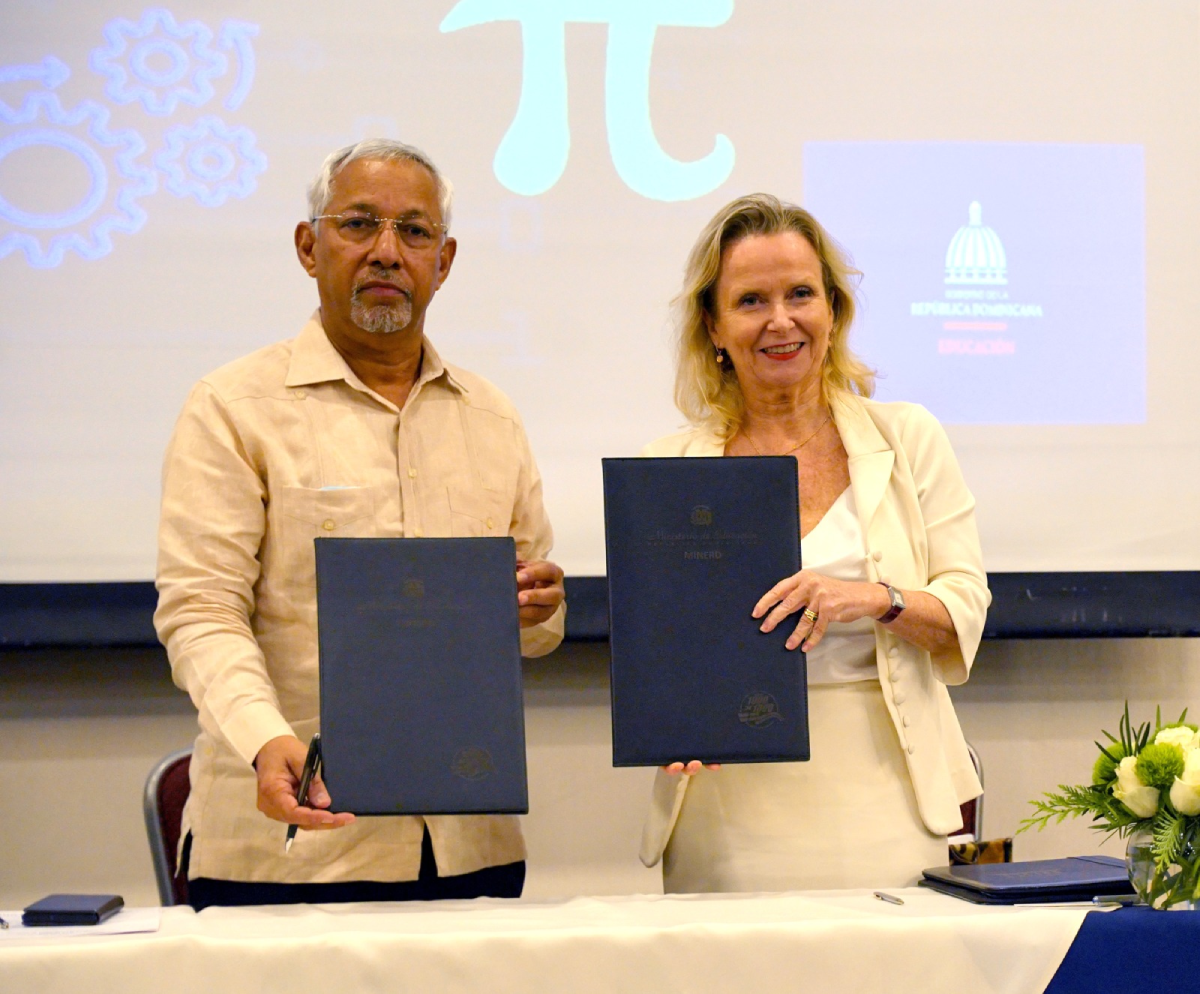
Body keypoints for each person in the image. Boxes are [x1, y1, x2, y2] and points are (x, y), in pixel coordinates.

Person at [154, 139, 566, 909]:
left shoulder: (491, 418)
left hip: (467, 845)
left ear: (444, 261)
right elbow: (201, 611)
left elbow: (536, 632)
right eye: (358, 224)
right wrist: (264, 738)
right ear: (309, 247)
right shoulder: (233, 408)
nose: (386, 251)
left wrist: (538, 606)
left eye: (414, 231)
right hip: (291, 851)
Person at [638, 194, 990, 893]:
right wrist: (666, 716)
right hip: (728, 804)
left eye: (800, 293)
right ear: (713, 325)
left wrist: (875, 599)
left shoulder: (908, 437)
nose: (781, 320)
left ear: (833, 309)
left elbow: (964, 608)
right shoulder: (666, 469)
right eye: (751, 300)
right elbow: (659, 650)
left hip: (891, 793)